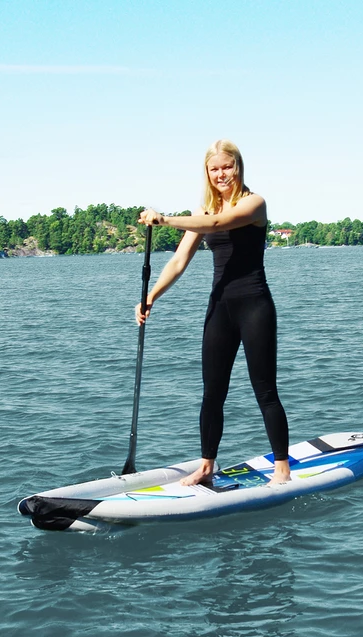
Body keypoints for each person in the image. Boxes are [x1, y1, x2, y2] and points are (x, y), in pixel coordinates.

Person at [136, 139, 291, 486]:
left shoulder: (254, 204)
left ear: (238, 167)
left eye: (227, 166)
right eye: (214, 168)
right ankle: (207, 466)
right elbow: (178, 261)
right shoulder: (203, 213)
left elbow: (221, 224)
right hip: (220, 308)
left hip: (255, 306)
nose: (221, 174)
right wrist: (152, 297)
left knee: (265, 390)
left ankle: (282, 467)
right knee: (212, 391)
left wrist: (163, 219)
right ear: (207, 172)